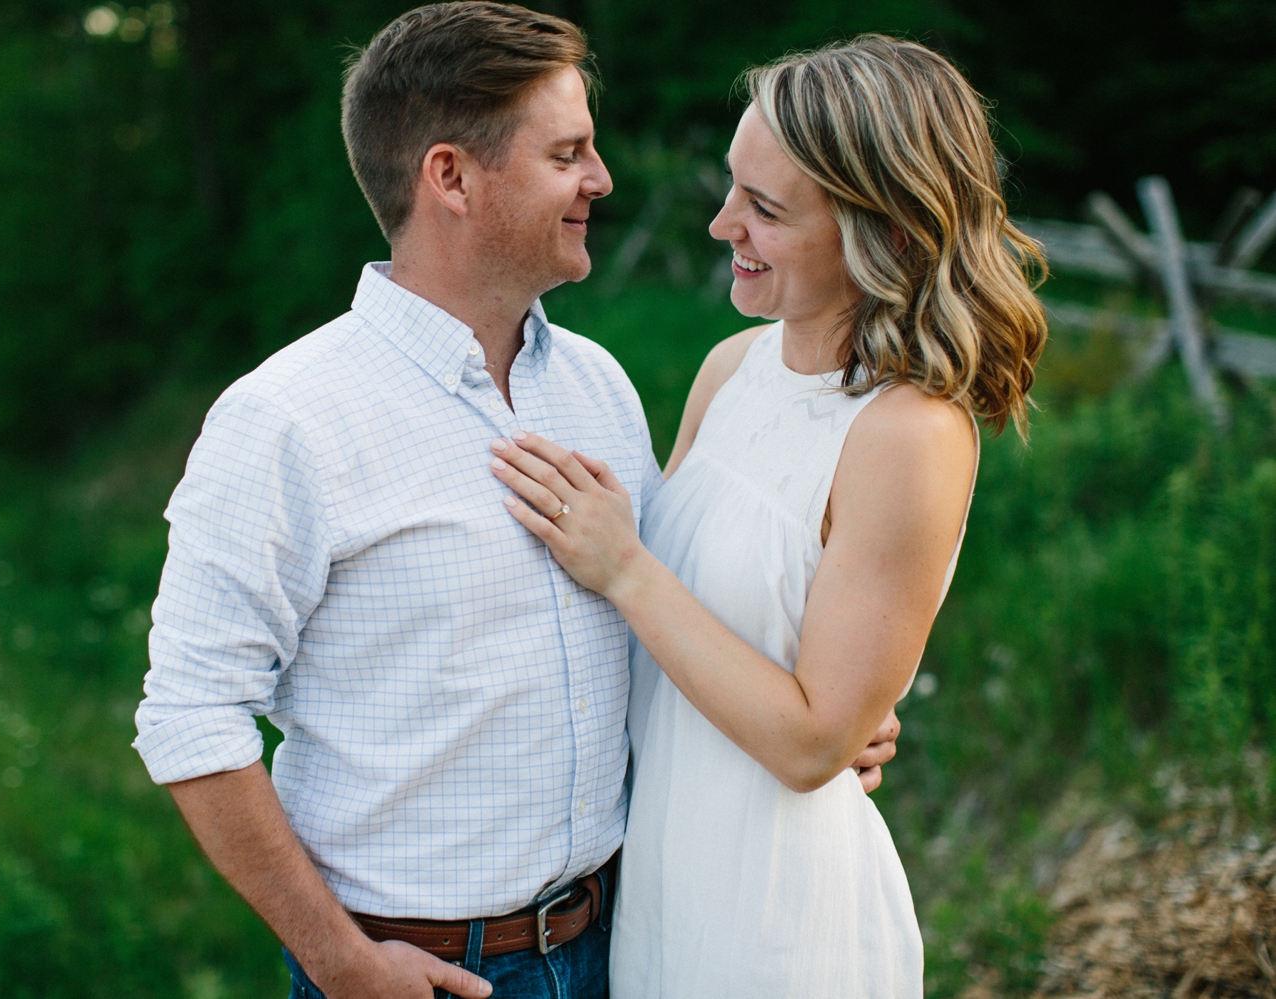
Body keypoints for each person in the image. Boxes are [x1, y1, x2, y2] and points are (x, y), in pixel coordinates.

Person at [133, 6, 898, 999]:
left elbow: (655, 614)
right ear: (451, 177)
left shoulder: (597, 386)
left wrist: (820, 704)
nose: (601, 179)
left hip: (628, 940)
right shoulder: (287, 421)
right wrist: (338, 960)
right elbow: (191, 717)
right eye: (568, 153)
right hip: (420, 973)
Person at [487, 34, 1048, 998]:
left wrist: (628, 569)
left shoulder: (909, 432)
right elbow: (687, 636)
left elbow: (806, 742)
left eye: (765, 208)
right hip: (661, 880)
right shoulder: (731, 369)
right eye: (731, 189)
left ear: (891, 234)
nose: (720, 225)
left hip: (780, 917)